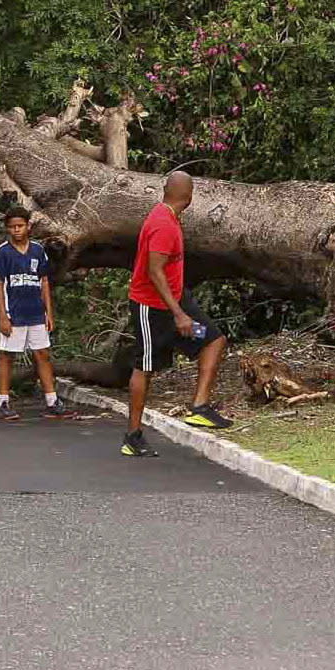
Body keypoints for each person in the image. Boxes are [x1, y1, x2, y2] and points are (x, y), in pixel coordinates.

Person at [121, 170, 233, 458]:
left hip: (176, 302)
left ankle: (199, 407)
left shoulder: (169, 217)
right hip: (153, 309)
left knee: (212, 340)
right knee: (145, 366)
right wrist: (179, 315)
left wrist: (182, 308)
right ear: (189, 196)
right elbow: (153, 271)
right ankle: (133, 436)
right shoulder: (162, 224)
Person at [0, 206, 69, 422]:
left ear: (28, 226)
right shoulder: (3, 252)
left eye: (20, 226)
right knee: (8, 355)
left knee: (42, 354)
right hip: (13, 313)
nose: (16, 230)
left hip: (36, 313)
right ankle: (4, 401)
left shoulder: (37, 251)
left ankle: (52, 401)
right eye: (12, 227)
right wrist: (3, 317)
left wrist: (49, 313)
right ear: (7, 229)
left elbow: (44, 282)